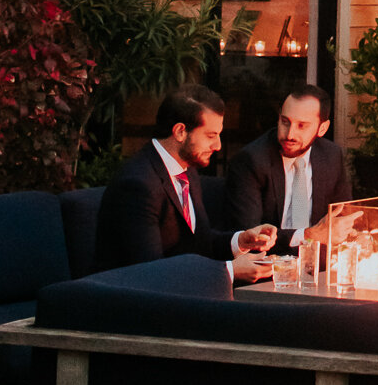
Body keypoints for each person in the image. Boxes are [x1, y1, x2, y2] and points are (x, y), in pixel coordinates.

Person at [96, 86, 277, 275]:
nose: (217, 146)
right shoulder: (138, 185)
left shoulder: (186, 170)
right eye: (211, 136)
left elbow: (198, 242)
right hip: (132, 298)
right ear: (180, 131)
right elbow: (149, 271)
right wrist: (228, 272)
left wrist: (240, 241)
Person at [225, 83, 349, 251]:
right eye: (285, 122)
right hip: (268, 265)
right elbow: (250, 237)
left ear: (322, 128)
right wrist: (308, 235)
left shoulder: (331, 155)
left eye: (302, 125)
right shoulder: (251, 160)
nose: (290, 134)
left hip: (318, 260)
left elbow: (342, 216)